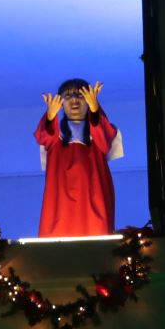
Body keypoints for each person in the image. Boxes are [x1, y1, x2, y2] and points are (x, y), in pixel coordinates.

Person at [36, 78, 121, 237]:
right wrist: (49, 116)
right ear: (60, 103)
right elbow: (43, 136)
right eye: (67, 96)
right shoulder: (54, 136)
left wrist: (95, 108)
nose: (74, 100)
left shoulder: (98, 135)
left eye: (80, 95)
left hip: (94, 199)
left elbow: (105, 137)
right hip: (60, 203)